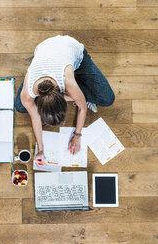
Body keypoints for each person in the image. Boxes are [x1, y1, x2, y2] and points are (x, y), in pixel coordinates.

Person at [15, 35, 115, 166]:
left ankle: (79, 94)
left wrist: (77, 135)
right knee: (20, 106)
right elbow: (35, 118)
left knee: (107, 99)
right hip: (46, 50)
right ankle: (78, 95)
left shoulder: (68, 83)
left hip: (71, 51)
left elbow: (83, 108)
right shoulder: (27, 94)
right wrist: (40, 149)